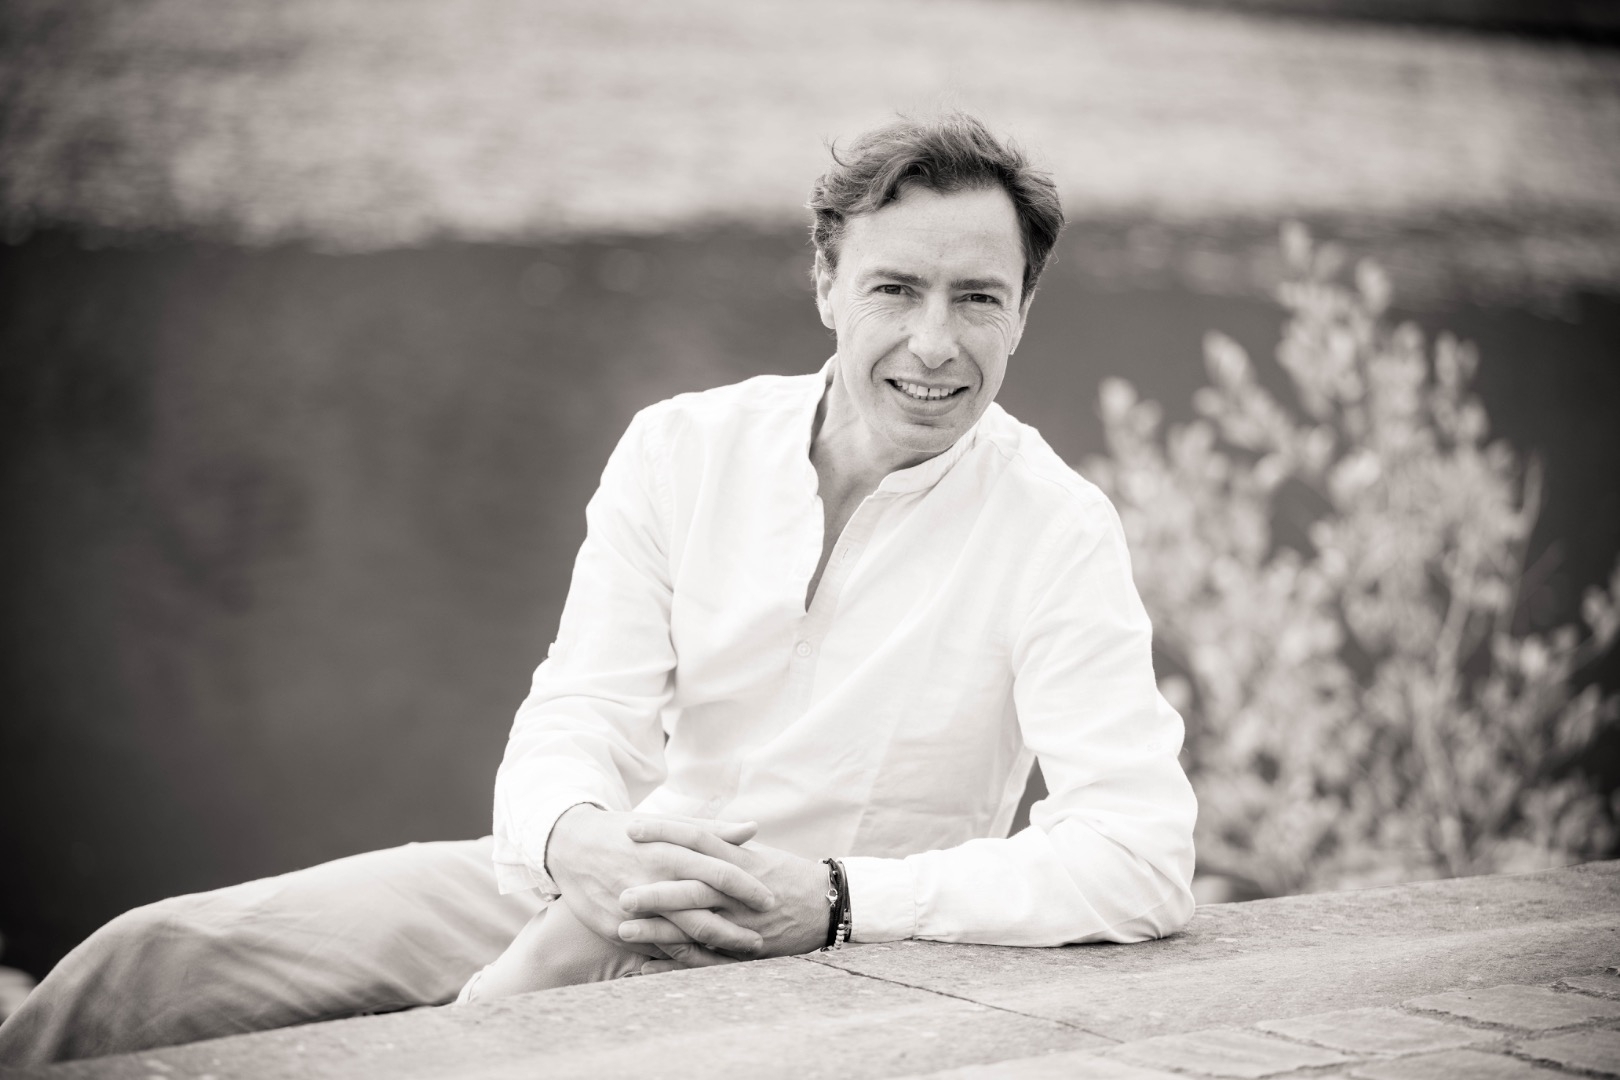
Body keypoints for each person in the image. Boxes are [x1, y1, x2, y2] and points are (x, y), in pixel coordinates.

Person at [0, 113, 1196, 1064]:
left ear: (1022, 313)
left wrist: (836, 900)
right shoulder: (684, 448)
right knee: (148, 965)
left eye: (977, 297)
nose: (935, 343)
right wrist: (581, 845)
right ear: (827, 284)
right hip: (600, 880)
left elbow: (1140, 856)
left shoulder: (1057, 529)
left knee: (463, 1051)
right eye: (895, 289)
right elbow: (578, 711)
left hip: (830, 961)